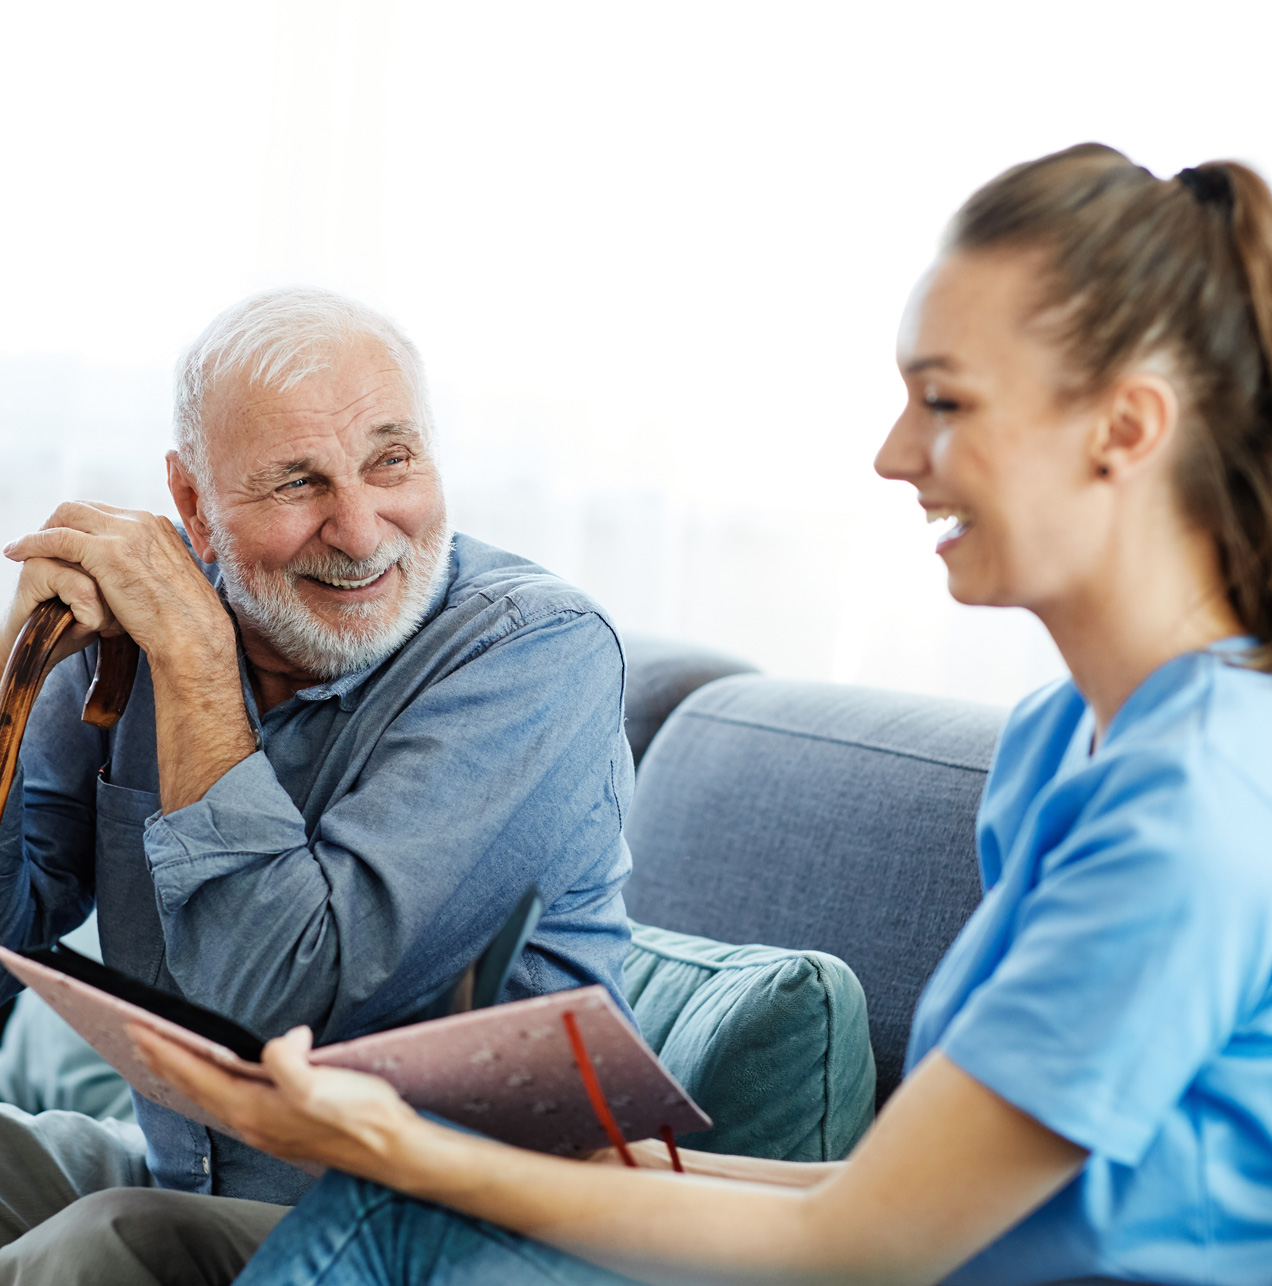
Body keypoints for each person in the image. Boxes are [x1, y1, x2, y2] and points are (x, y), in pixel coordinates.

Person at [138, 144, 1272, 1285]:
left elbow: (863, 1246)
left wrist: (400, 1145)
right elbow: (885, 1194)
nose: (890, 455)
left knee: (397, 1220)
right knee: (412, 1219)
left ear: (1124, 427)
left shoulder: (1195, 803)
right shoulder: (1056, 740)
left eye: (943, 401)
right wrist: (624, 1174)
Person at [0, 287, 642, 1285]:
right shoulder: (139, 635)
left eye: (391, 459)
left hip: (420, 1236)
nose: (360, 526)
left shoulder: (531, 656)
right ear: (194, 503)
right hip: (180, 1172)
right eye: (296, 481)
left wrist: (197, 662)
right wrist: (4, 664)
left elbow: (278, 1001)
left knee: (100, 1244)